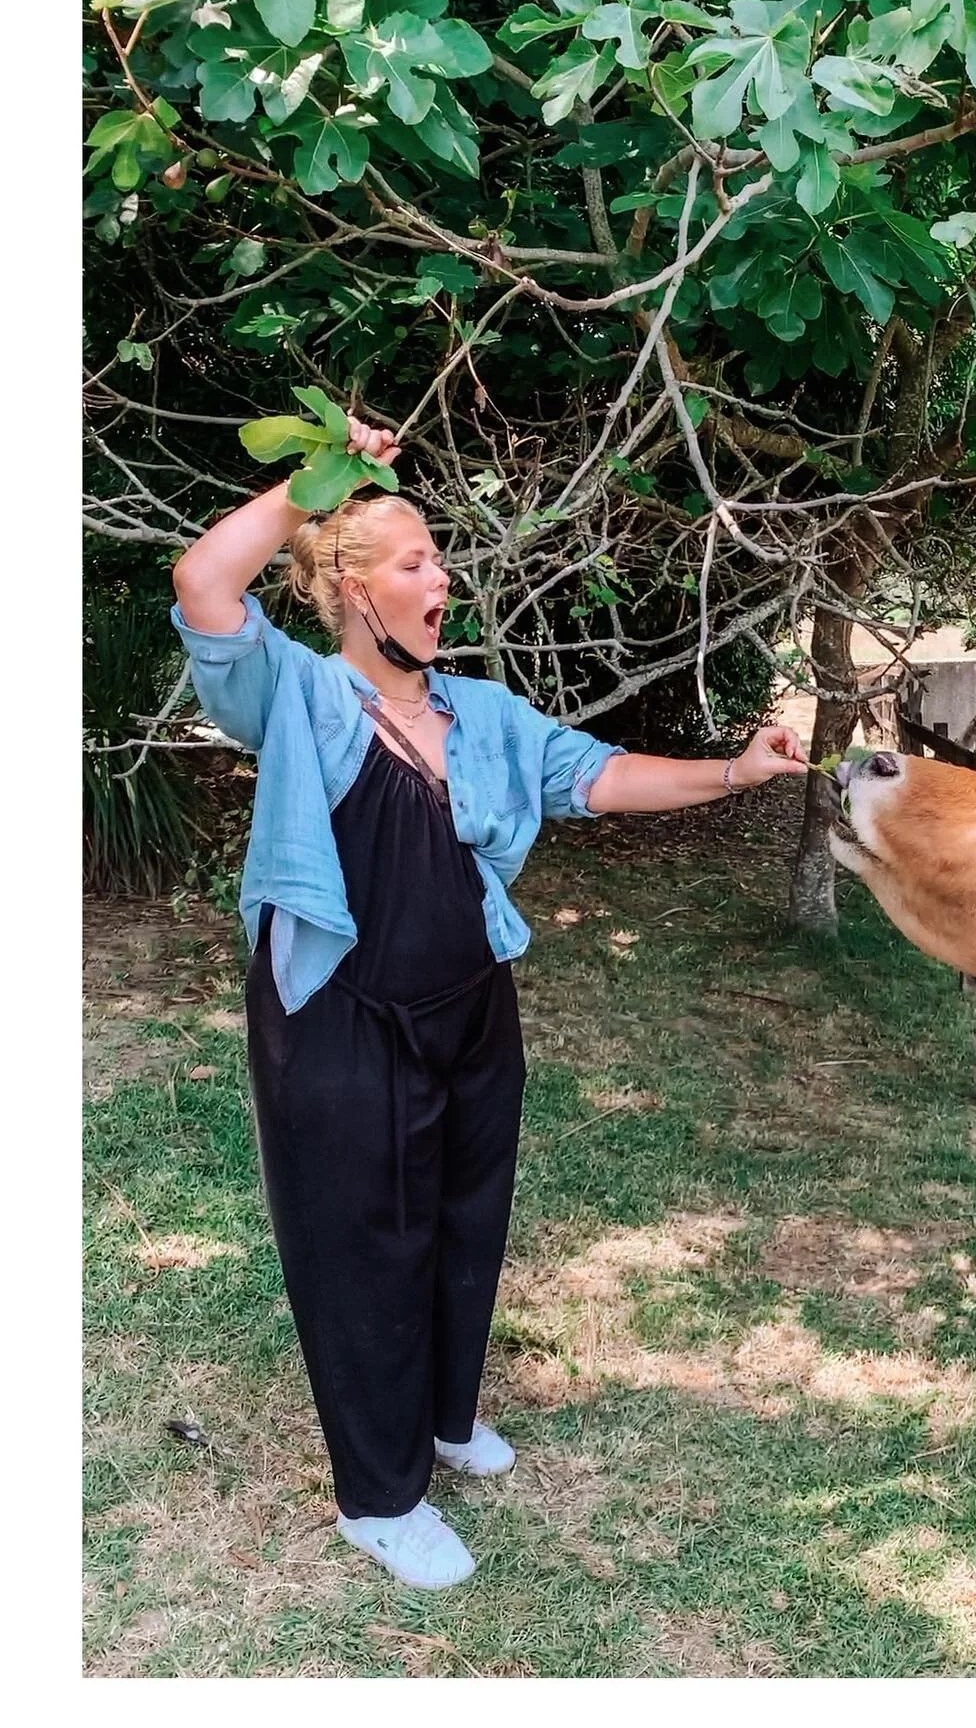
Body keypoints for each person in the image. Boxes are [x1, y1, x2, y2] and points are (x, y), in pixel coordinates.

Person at [170, 415, 808, 1589]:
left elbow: (600, 777)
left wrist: (737, 770)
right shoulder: (298, 700)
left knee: (466, 1217)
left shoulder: (482, 714)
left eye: (440, 560)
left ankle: (447, 1418)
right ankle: (379, 1496)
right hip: (338, 1019)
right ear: (353, 590)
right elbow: (206, 581)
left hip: (472, 1004)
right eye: (416, 562)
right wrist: (323, 480)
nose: (442, 577)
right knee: (361, 1241)